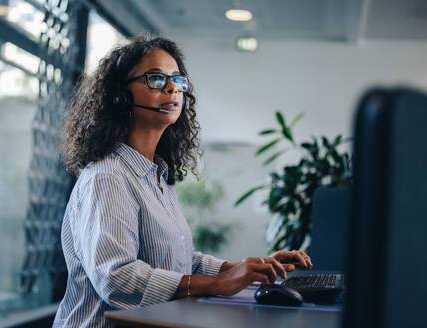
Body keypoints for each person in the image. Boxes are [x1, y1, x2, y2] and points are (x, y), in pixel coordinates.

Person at [53, 36, 312, 328]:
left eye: (177, 80)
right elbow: (117, 279)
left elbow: (181, 260)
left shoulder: (156, 176)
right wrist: (217, 284)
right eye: (156, 79)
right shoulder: (108, 177)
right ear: (121, 94)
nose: (172, 87)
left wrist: (249, 269)